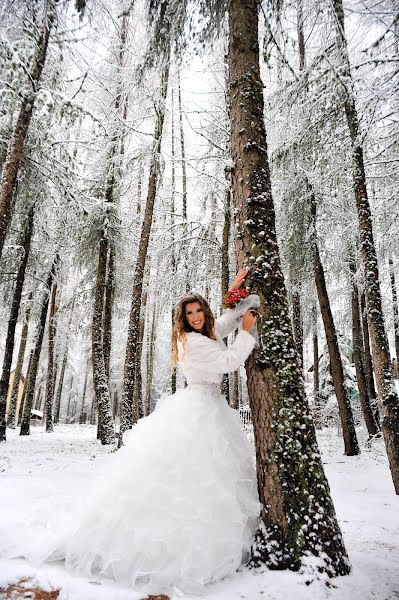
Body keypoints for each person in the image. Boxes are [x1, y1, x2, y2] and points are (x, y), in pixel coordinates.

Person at [2, 269, 261, 596]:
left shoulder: (204, 332)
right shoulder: (192, 342)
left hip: (206, 408)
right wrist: (248, 333)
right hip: (198, 411)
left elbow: (221, 326)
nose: (195, 317)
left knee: (203, 479)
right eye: (189, 313)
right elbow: (227, 361)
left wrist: (233, 299)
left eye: (198, 311)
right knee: (188, 480)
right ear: (182, 320)